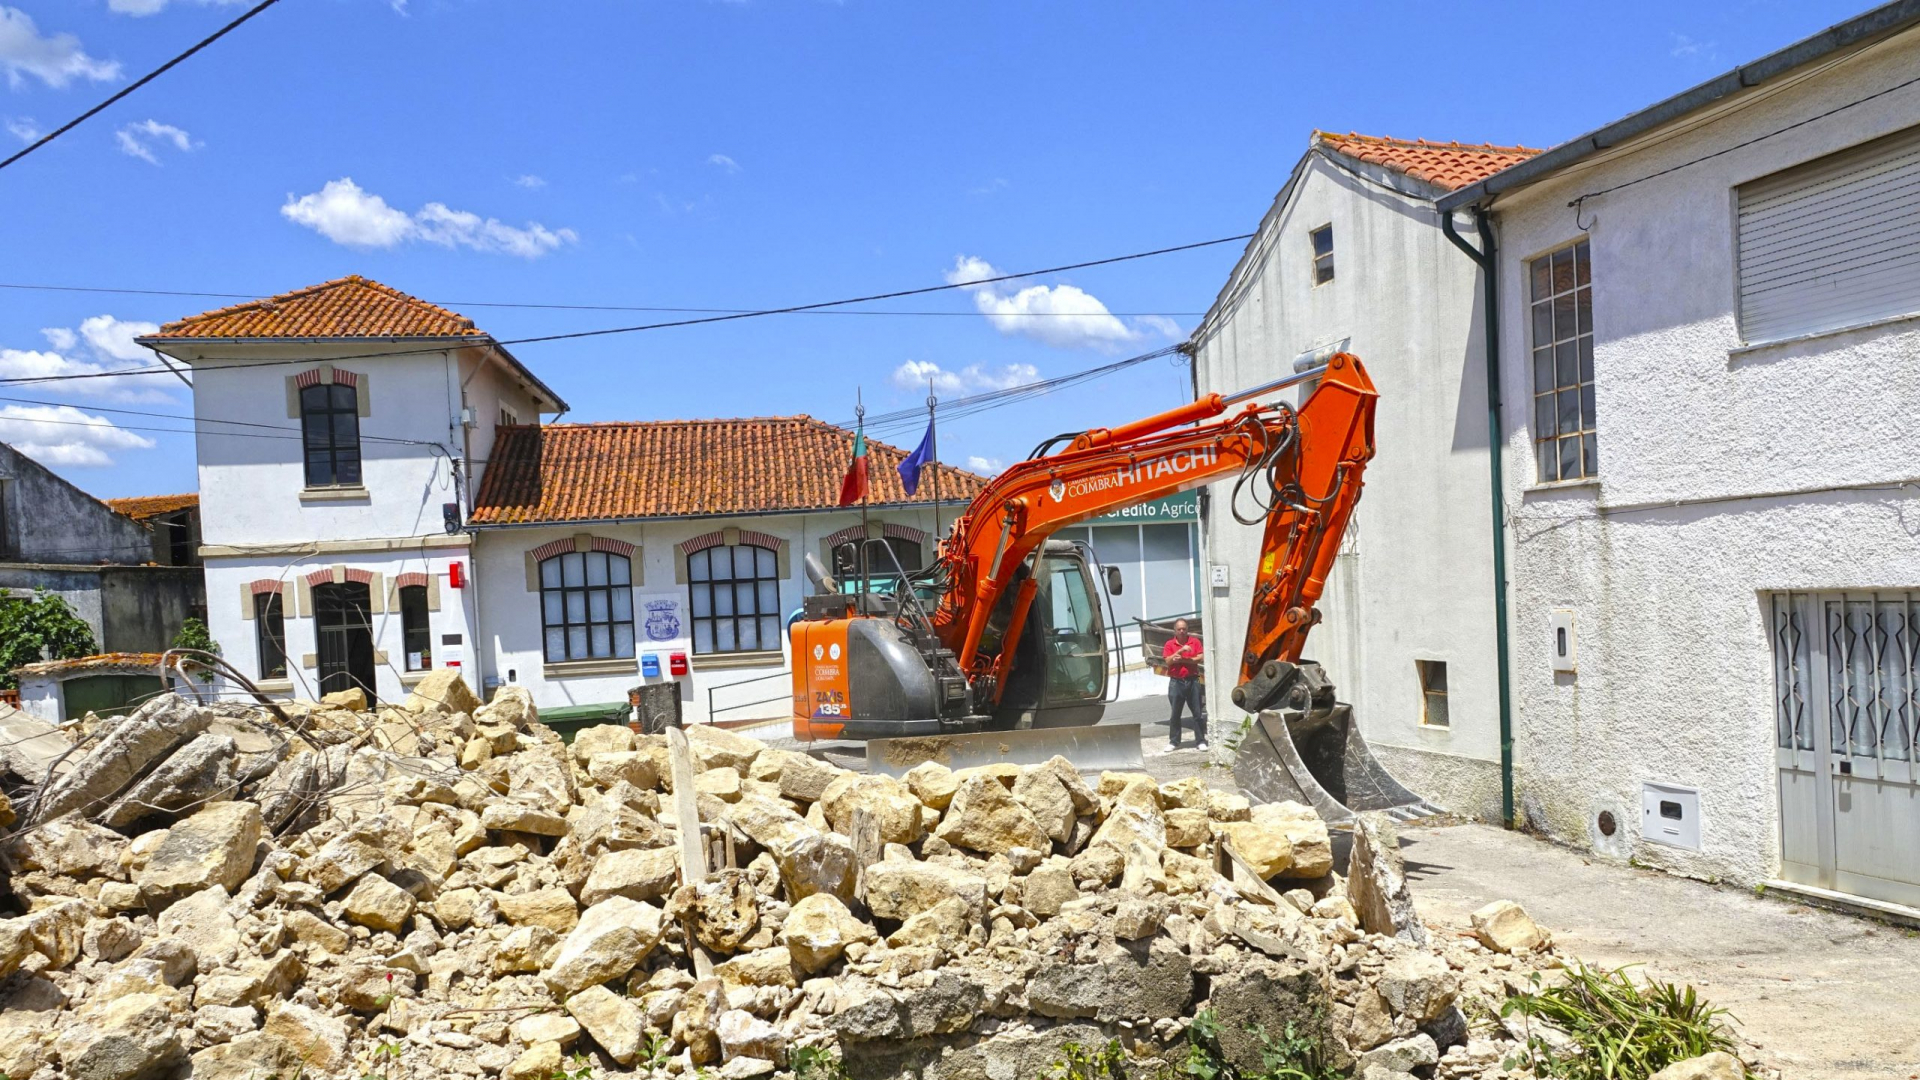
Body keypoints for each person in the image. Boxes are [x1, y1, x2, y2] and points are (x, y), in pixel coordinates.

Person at [1163, 619, 1207, 751]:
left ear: (1187, 629)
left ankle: (1200, 740)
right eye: (1179, 629)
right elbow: (1168, 661)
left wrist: (1182, 659)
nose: (1182, 631)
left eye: (1184, 629)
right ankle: (1174, 741)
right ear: (1175, 630)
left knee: (1197, 713)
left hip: (1193, 680)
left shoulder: (1195, 642)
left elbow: (1200, 658)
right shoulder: (1170, 644)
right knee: (1175, 713)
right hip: (1176, 682)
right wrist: (1180, 651)